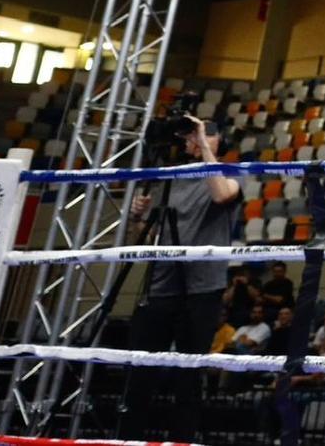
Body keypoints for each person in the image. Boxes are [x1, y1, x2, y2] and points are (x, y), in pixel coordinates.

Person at [121, 116, 243, 442]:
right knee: (140, 374)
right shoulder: (169, 180)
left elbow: (221, 196)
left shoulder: (227, 174)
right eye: (190, 134)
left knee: (188, 378)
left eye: (207, 134)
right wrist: (136, 218)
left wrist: (203, 140)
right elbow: (147, 242)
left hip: (203, 288)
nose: (193, 139)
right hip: (162, 285)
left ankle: (182, 440)